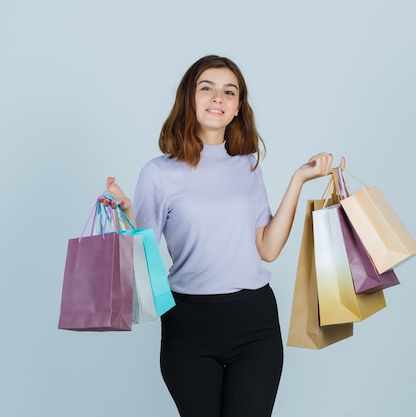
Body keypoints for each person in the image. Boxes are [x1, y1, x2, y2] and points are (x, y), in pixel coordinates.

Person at [101, 55, 344, 417]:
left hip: (255, 319)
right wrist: (126, 211)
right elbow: (145, 249)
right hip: (188, 322)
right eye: (207, 88)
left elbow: (268, 248)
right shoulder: (158, 173)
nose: (218, 98)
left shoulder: (248, 165)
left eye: (228, 92)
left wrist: (297, 180)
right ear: (189, 98)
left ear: (237, 109)